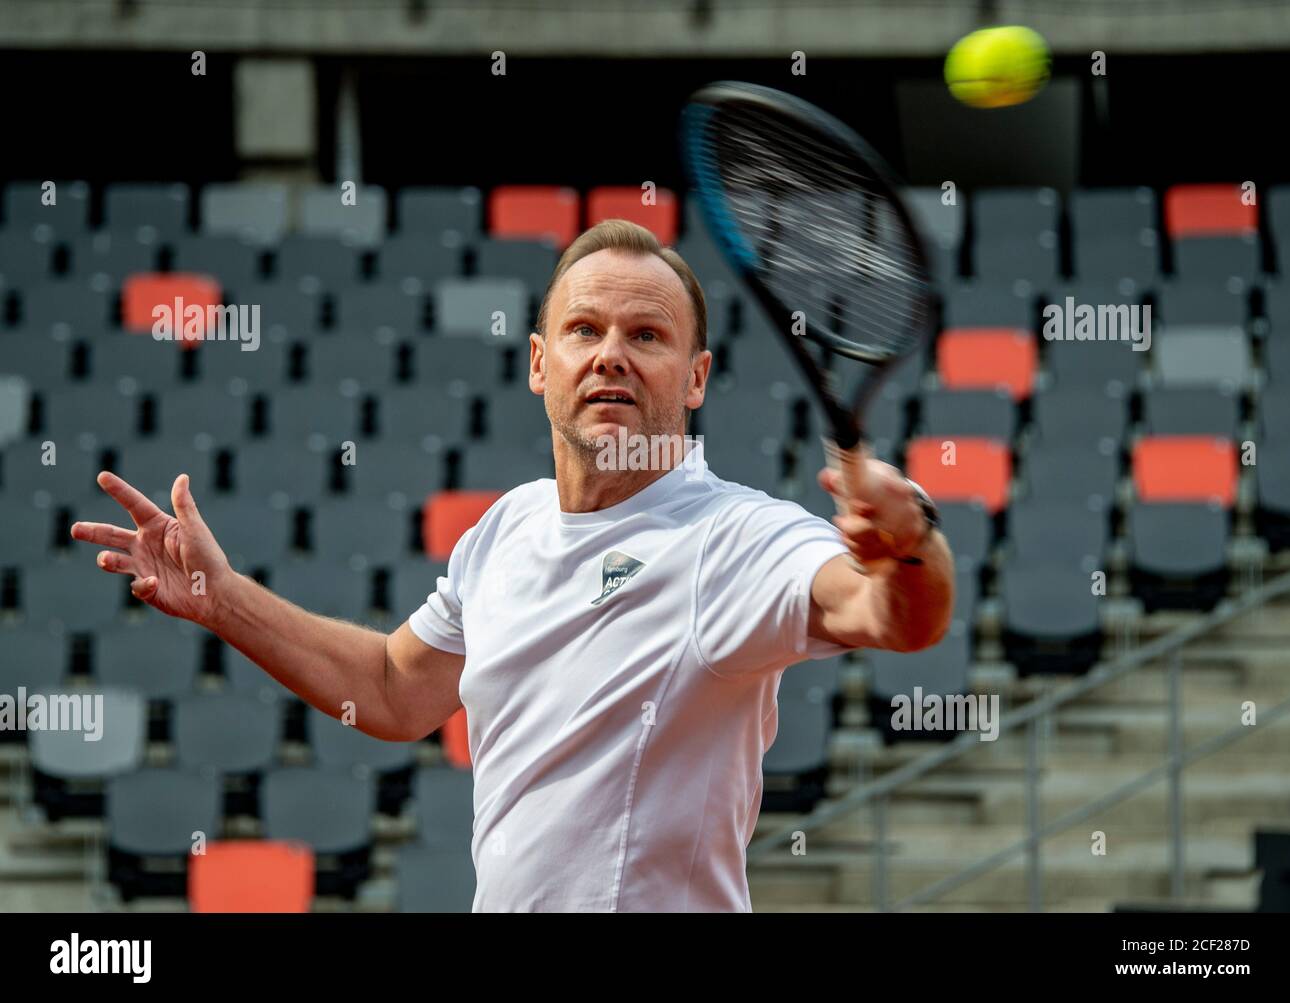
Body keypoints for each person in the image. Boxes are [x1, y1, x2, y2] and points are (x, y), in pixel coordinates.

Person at [71, 219, 954, 911]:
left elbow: (894, 616)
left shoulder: (734, 540)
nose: (611, 351)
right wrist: (224, 600)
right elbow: (390, 689)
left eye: (648, 334)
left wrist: (909, 540)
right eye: (584, 329)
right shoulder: (507, 529)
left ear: (696, 377)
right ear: (541, 363)